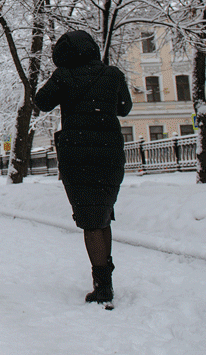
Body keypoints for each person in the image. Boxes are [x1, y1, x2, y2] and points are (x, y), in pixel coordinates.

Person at [34, 30, 133, 306]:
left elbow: (41, 102)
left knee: (91, 221)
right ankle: (106, 280)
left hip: (77, 157)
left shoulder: (64, 76)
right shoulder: (112, 75)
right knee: (103, 216)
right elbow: (124, 108)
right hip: (110, 156)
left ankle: (102, 287)